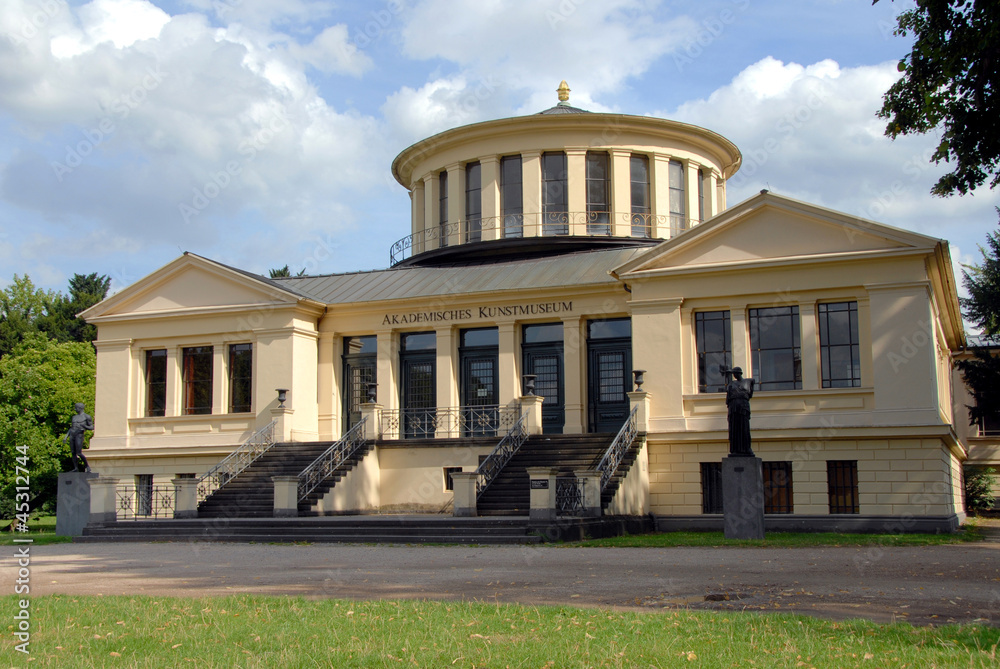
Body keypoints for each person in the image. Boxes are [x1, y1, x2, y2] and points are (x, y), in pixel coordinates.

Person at [723, 367, 755, 456]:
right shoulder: (731, 384)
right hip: (733, 408)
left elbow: (752, 383)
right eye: (733, 374)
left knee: (744, 428)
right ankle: (735, 449)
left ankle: (746, 448)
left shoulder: (748, 382)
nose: (734, 375)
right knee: (734, 429)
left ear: (740, 373)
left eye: (736, 373)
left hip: (743, 407)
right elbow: (728, 400)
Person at [64, 402, 93, 473]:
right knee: (73, 452)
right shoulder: (74, 417)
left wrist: (84, 426)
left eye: (76, 408)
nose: (75, 409)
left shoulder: (86, 417)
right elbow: (71, 428)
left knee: (79, 453)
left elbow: (92, 427)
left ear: (80, 408)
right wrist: (65, 437)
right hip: (72, 435)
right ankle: (76, 468)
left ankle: (87, 466)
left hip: (79, 435)